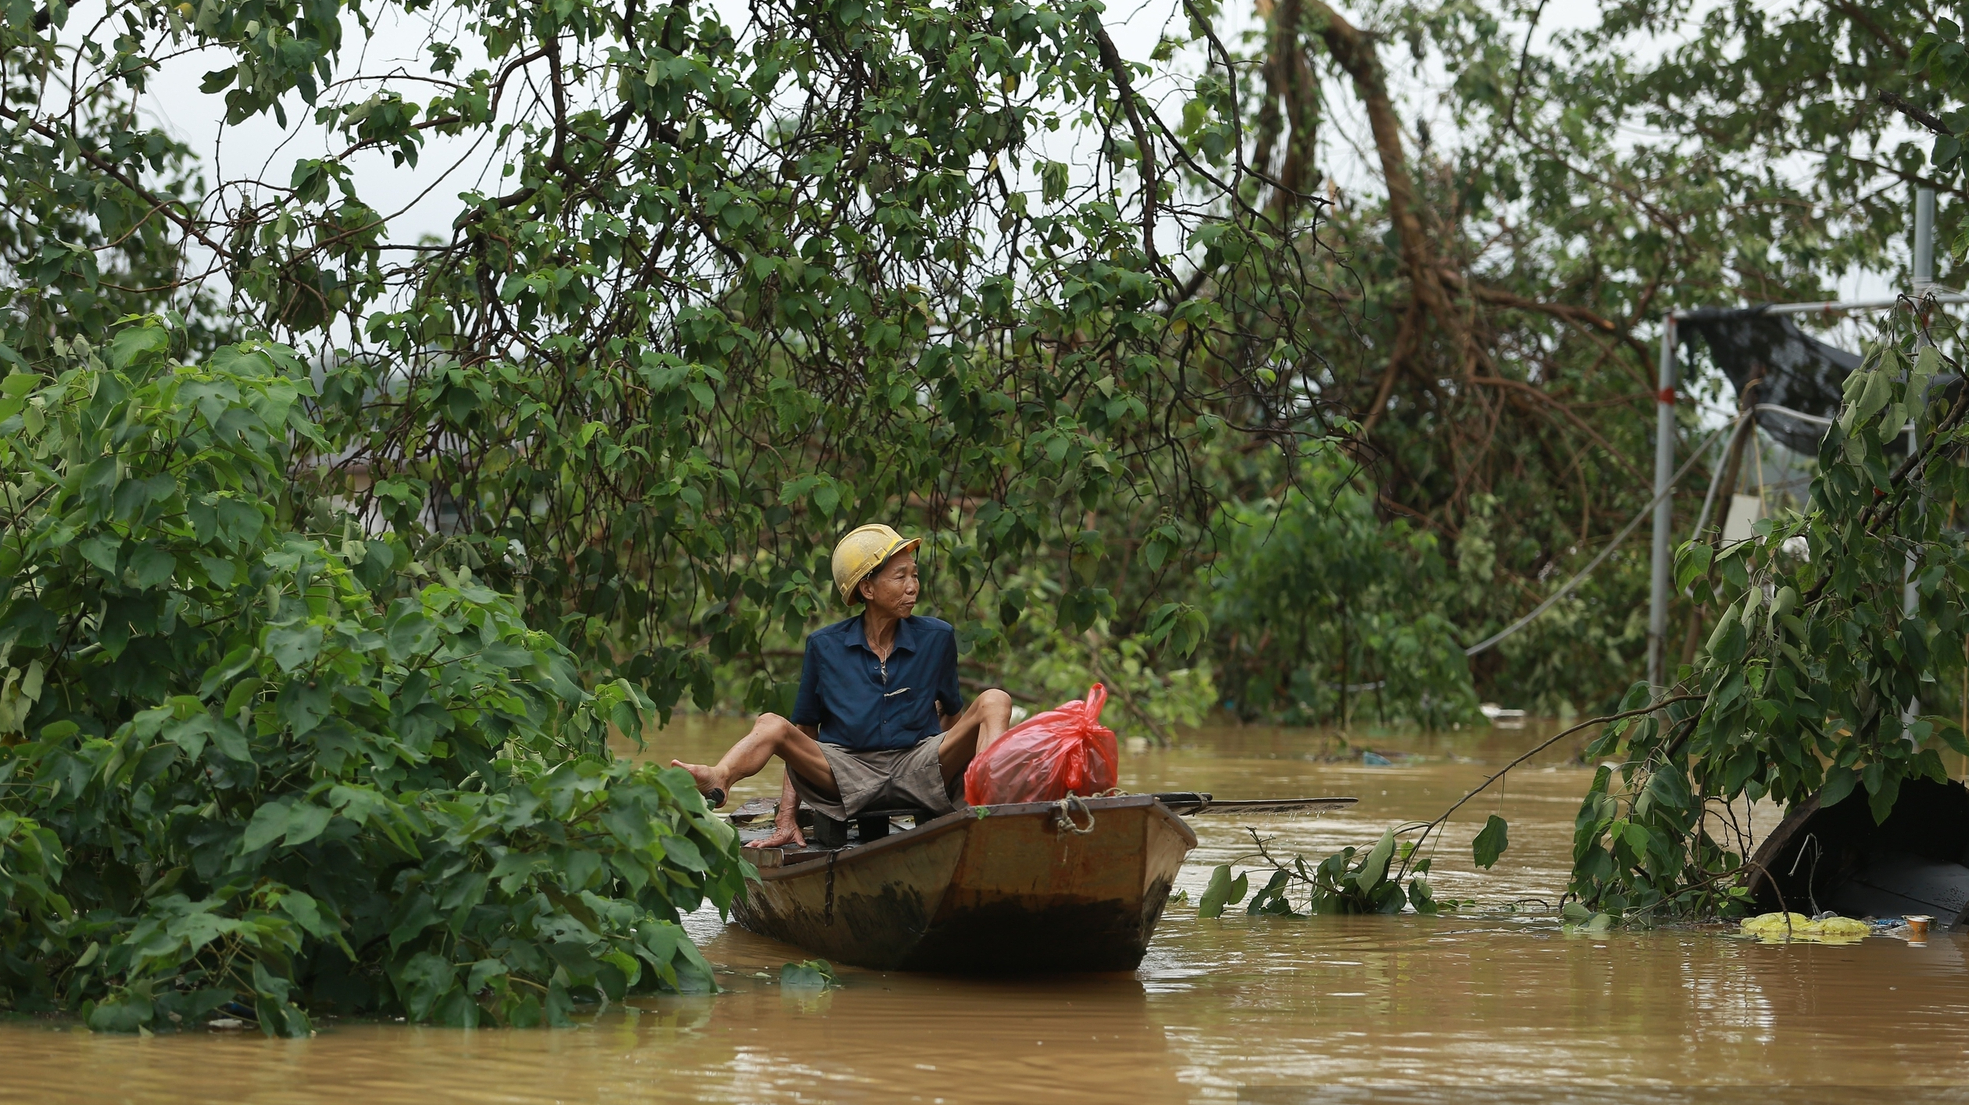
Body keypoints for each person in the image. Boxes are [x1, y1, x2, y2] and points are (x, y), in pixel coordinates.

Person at [671, 523, 1013, 848]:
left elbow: (953, 718)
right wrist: (787, 817)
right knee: (771, 724)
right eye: (900, 576)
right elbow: (804, 734)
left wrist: (940, 758)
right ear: (867, 588)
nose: (913, 586)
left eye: (914, 575)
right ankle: (719, 776)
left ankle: (991, 801)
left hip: (918, 765)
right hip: (848, 772)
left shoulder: (937, 637)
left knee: (994, 699)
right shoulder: (825, 646)